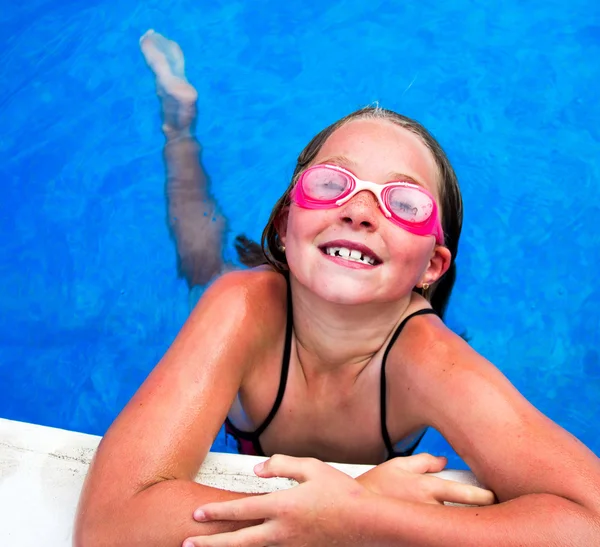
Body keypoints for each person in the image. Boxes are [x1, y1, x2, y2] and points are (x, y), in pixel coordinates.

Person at [74, 31, 600, 547]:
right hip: (255, 313)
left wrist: (358, 518)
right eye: (332, 183)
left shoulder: (430, 361)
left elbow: (591, 522)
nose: (359, 210)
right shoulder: (241, 309)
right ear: (285, 224)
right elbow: (109, 527)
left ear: (432, 266)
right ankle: (180, 126)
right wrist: (357, 503)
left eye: (404, 203)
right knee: (202, 263)